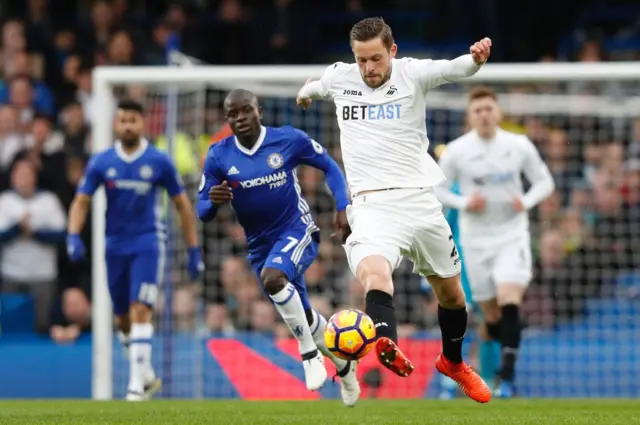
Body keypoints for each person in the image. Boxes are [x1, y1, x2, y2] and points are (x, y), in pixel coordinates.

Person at [296, 17, 492, 402]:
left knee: (452, 295)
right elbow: (318, 87)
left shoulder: (412, 73)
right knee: (374, 271)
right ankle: (385, 340)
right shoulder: (341, 78)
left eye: (376, 59)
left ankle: (452, 362)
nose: (368, 68)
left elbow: (454, 69)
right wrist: (307, 93)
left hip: (420, 200)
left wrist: (475, 60)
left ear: (393, 51)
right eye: (361, 60)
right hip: (371, 204)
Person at [196, 89, 361, 407]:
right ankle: (344, 365)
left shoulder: (288, 139)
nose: (240, 118)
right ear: (227, 118)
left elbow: (329, 166)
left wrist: (343, 206)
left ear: (259, 111)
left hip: (297, 231)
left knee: (274, 279)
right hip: (259, 246)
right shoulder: (218, 154)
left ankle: (309, 355)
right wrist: (212, 202)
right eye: (233, 114)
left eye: (246, 111)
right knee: (307, 317)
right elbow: (202, 210)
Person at [66, 99, 204, 401]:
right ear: (116, 124)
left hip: (148, 242)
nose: (128, 125)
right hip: (114, 246)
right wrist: (73, 235)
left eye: (133, 120)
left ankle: (135, 387)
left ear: (142, 124)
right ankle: (147, 374)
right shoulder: (102, 162)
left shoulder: (159, 161)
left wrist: (194, 249)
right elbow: (82, 200)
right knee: (122, 319)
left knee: (140, 308)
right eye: (123, 120)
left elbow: (182, 206)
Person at [435, 86, 555, 397]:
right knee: (491, 317)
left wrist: (526, 201)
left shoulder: (518, 145)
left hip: (511, 236)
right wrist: (462, 203)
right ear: (470, 117)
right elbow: (436, 190)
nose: (485, 115)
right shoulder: (458, 151)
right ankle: (462, 365)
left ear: (498, 113)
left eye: (489, 109)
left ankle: (506, 376)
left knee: (509, 300)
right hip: (476, 242)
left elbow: (545, 181)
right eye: (478, 110)